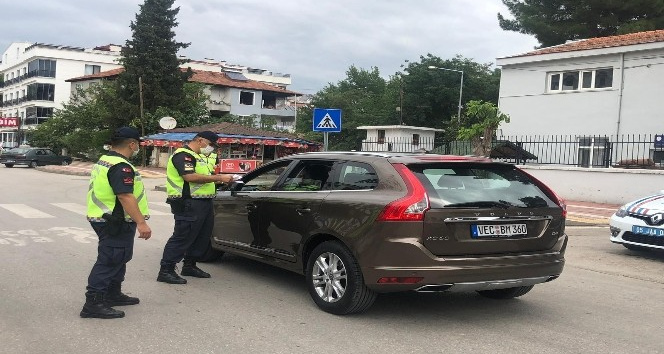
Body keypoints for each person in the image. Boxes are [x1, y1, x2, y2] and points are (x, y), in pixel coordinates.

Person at [81, 127, 152, 319]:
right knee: (110, 259)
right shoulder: (121, 166)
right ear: (132, 144)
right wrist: (141, 223)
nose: (138, 147)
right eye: (138, 144)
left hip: (106, 218)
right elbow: (125, 195)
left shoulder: (106, 160)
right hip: (115, 220)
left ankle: (113, 294)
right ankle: (93, 303)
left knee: (119, 258)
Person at [157, 131, 236, 284]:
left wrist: (221, 181)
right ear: (200, 140)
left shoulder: (200, 157)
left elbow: (206, 177)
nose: (212, 148)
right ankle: (166, 270)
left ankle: (189, 265)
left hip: (204, 202)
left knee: (201, 236)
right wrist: (219, 177)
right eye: (211, 144)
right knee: (182, 236)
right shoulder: (183, 155)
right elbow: (189, 177)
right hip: (188, 202)